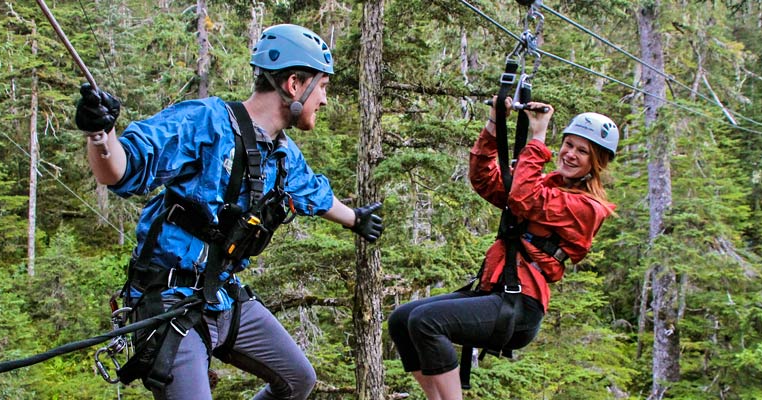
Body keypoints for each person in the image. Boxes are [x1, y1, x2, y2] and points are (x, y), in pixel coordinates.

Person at [75, 24, 383, 400]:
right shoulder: (206, 123)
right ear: (294, 84)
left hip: (222, 295)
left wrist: (356, 219)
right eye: (322, 87)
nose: (324, 98)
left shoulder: (283, 156)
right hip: (169, 302)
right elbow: (122, 169)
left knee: (297, 379)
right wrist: (99, 134)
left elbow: (314, 195)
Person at [387, 97, 619, 399]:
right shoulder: (546, 184)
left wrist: (537, 139)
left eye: (582, 151)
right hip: (495, 290)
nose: (570, 154)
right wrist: (495, 123)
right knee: (402, 320)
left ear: (596, 162)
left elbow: (523, 197)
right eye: (568, 145)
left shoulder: (587, 208)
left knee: (427, 322)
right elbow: (484, 180)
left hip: (521, 305)